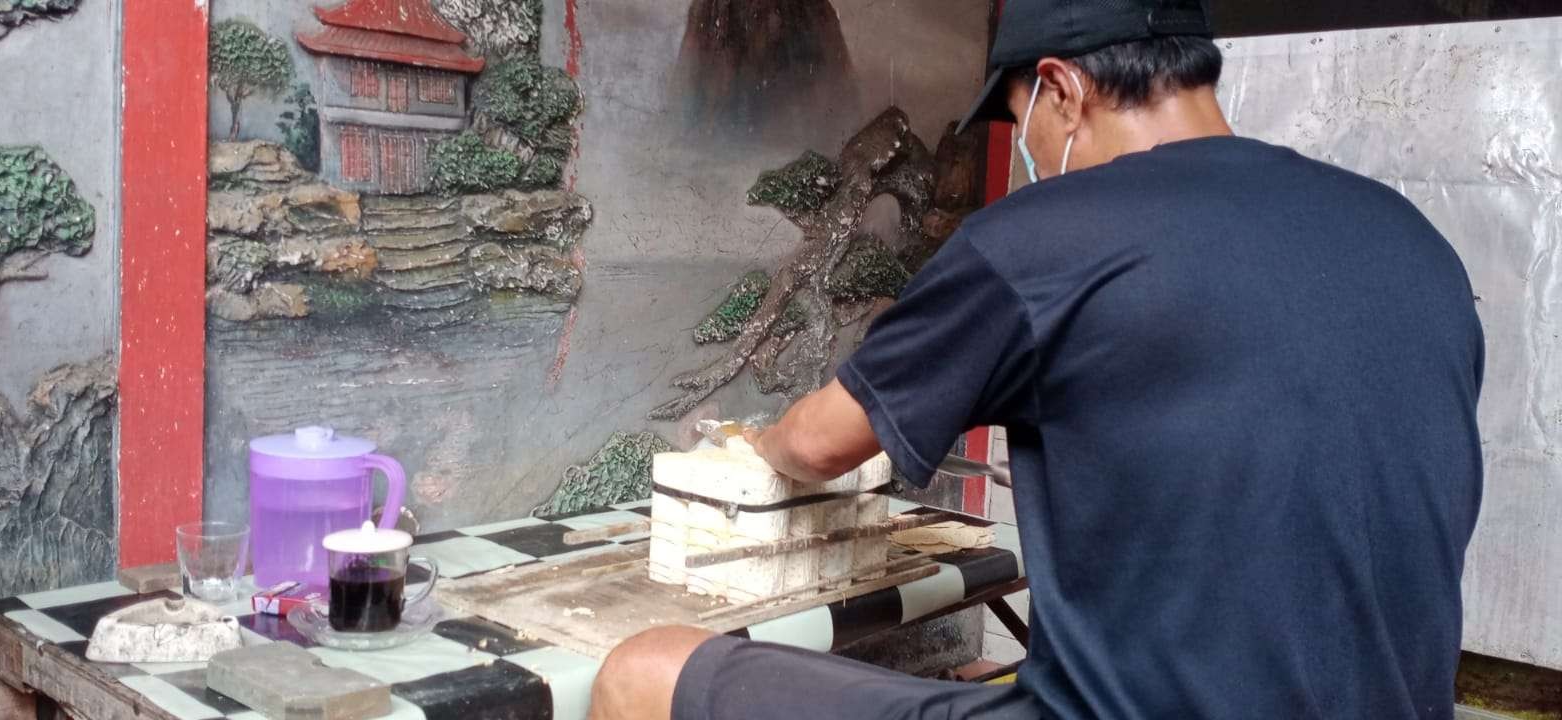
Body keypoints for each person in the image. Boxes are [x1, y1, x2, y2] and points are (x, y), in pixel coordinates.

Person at [589, 0, 1485, 717]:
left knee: (644, 670)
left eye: (1020, 119)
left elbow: (820, 444)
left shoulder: (1044, 240)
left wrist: (755, 446)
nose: (1029, 149)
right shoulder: (1410, 240)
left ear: (1062, 88)